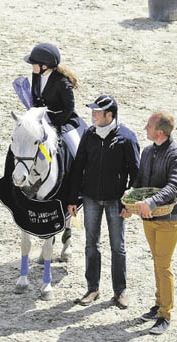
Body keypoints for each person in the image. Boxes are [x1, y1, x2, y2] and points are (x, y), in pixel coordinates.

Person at [66, 95, 140, 309]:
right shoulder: (89, 135)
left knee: (118, 246)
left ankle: (120, 291)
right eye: (93, 111)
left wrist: (130, 204)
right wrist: (73, 198)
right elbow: (78, 167)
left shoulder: (127, 138)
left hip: (116, 201)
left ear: (110, 115)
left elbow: (136, 175)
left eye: (97, 112)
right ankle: (92, 288)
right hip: (90, 198)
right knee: (91, 245)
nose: (93, 115)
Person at [121, 111, 177, 334]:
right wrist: (129, 206)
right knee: (157, 262)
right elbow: (141, 182)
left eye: (149, 125)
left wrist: (151, 202)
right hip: (149, 216)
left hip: (169, 218)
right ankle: (159, 303)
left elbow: (174, 187)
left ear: (159, 131)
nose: (145, 128)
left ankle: (165, 314)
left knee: (163, 265)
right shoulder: (148, 150)